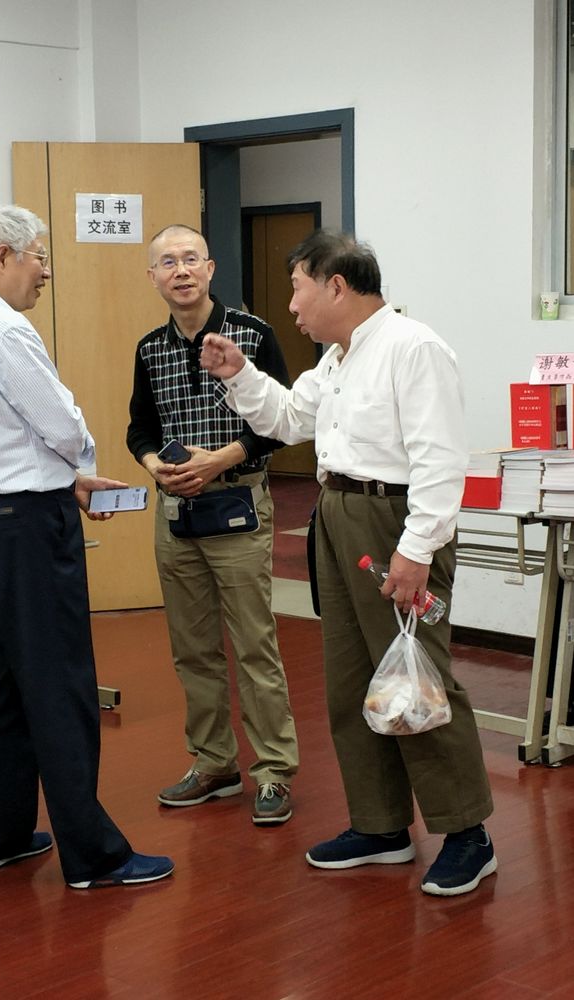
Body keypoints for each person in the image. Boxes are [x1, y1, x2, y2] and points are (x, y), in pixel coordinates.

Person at [200, 229, 496, 896]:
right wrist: (238, 374)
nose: (293, 306)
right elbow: (285, 419)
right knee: (352, 680)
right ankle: (381, 825)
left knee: (417, 681)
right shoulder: (336, 360)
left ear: (337, 285)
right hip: (337, 518)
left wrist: (417, 551)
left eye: (299, 289)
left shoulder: (412, 348)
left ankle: (467, 833)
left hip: (393, 523)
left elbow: (441, 460)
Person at [0, 204, 173, 889]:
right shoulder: (5, 328)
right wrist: (74, 465)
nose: (47, 271)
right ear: (3, 255)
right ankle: (94, 857)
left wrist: (65, 480)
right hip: (29, 527)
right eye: (39, 255)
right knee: (61, 684)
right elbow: (60, 424)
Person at [126, 224, 299, 826]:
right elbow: (138, 428)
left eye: (191, 259)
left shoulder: (253, 335)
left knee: (254, 644)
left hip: (238, 502)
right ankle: (213, 762)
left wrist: (221, 458)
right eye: (167, 262)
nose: (180, 271)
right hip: (174, 510)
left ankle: (274, 769)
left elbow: (282, 421)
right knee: (192, 648)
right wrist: (155, 466)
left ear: (211, 267)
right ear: (152, 276)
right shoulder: (150, 348)